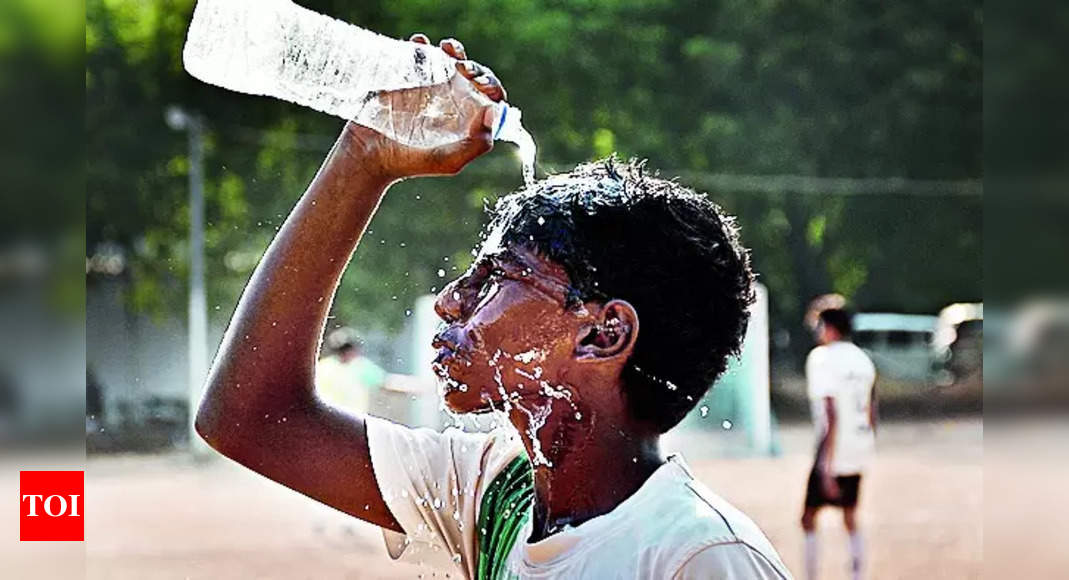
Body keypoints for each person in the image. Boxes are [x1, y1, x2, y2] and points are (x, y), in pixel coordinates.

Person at [196, 34, 790, 579]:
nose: (452, 302)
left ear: (601, 335)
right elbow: (250, 418)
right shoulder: (495, 492)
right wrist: (364, 156)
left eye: (498, 277)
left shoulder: (698, 556)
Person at [800, 306, 877, 580]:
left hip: (834, 448)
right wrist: (868, 447)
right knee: (850, 514)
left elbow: (830, 414)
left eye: (820, 326)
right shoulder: (862, 359)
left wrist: (825, 465)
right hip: (859, 446)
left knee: (808, 517)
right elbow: (872, 410)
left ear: (831, 328)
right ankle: (858, 576)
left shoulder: (821, 358)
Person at [316, 327, 386, 415]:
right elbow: (386, 381)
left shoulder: (321, 366)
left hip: (327, 418)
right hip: (353, 421)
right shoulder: (361, 366)